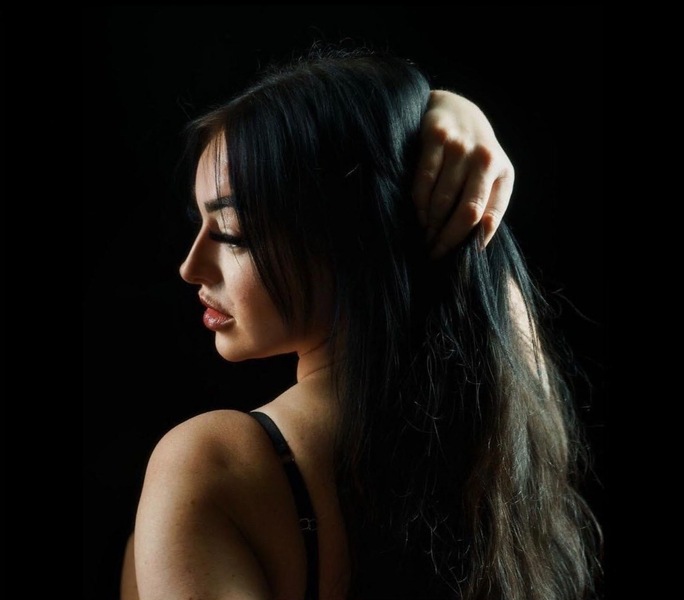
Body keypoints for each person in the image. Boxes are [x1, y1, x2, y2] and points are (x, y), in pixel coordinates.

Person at [120, 45, 602, 600]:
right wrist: (444, 112)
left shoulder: (214, 467)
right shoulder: (510, 432)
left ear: (352, 238)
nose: (190, 266)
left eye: (232, 233)